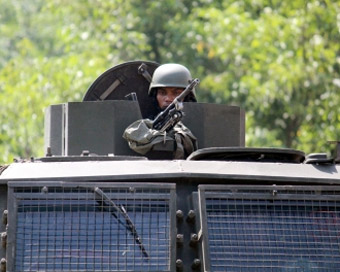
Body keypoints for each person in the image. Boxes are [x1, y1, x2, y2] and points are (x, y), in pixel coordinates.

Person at [123, 63, 198, 159]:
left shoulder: (197, 125)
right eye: (163, 93)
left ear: (187, 96)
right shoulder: (144, 126)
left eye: (176, 93)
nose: (168, 98)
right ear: (155, 96)